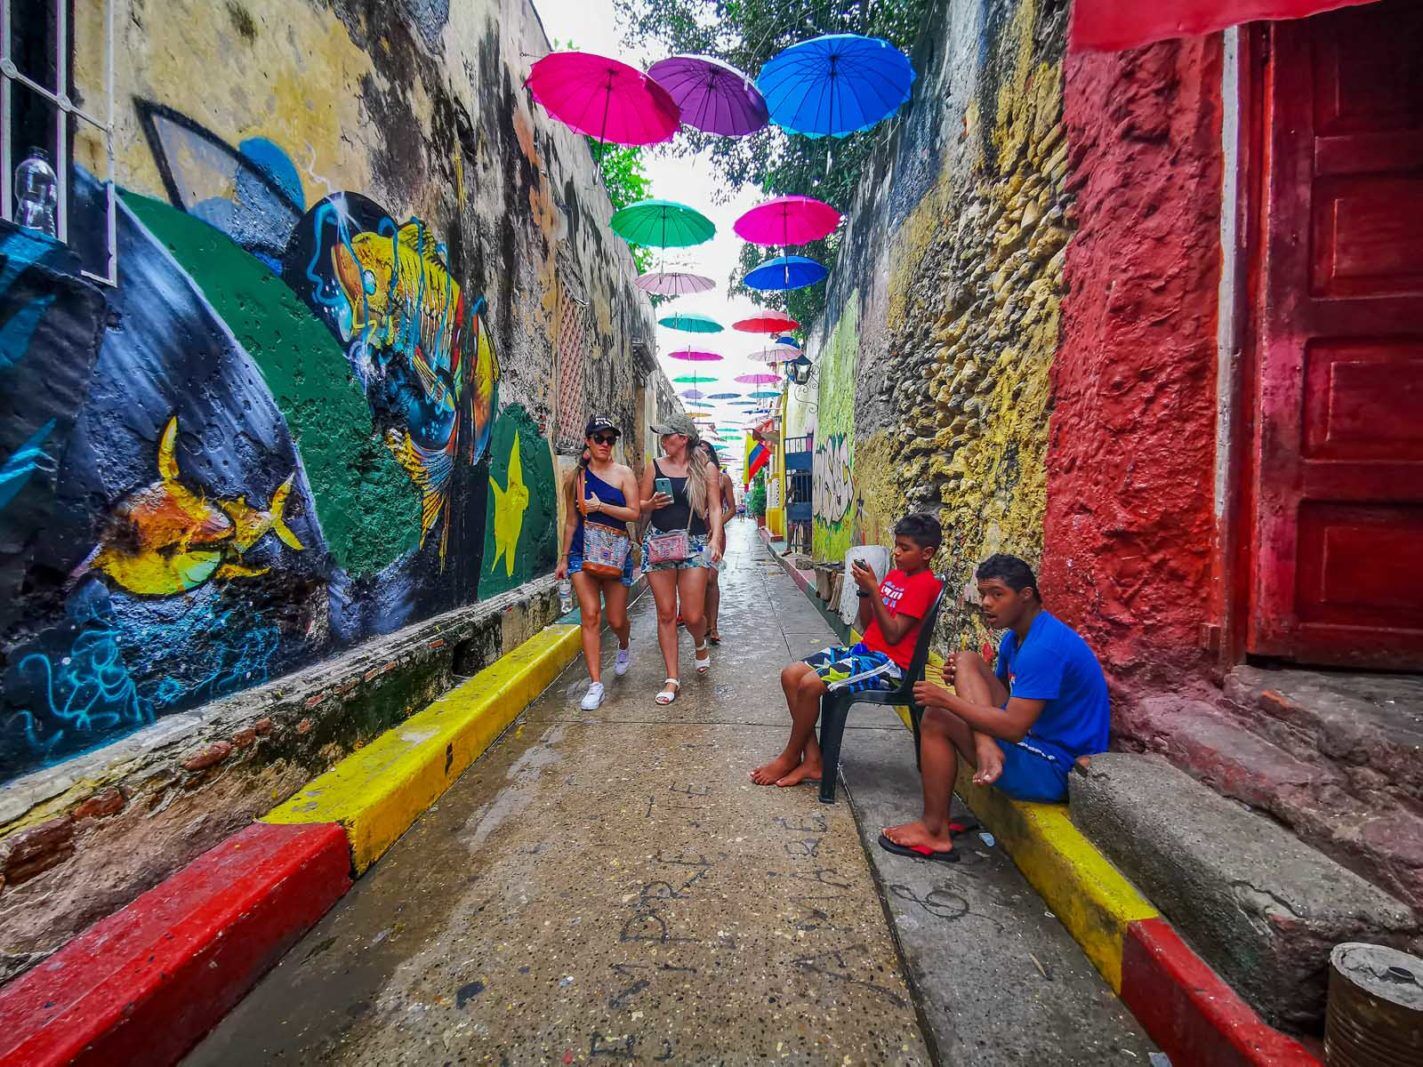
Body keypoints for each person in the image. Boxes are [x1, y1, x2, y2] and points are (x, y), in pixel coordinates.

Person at [879, 553, 1110, 862]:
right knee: (967, 660)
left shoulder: (1044, 648)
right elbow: (989, 696)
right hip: (1031, 740)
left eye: (997, 594)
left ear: (1026, 595)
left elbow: (1012, 726)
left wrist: (947, 699)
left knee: (936, 717)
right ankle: (986, 746)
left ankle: (934, 831)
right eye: (984, 593)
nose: (986, 602)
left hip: (1056, 767)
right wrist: (964, 690)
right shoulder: (1017, 639)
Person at [752, 514, 944, 787]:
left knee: (809, 684)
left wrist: (874, 590)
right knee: (791, 674)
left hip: (890, 664)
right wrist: (865, 592)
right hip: (866, 650)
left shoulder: (924, 584)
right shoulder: (896, 576)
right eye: (896, 546)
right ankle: (814, 760)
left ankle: (790, 756)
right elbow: (868, 625)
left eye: (905, 548)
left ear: (927, 553)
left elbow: (893, 635)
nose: (897, 553)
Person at [638, 413, 724, 706]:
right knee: (665, 613)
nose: (663, 441)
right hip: (659, 543)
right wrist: (648, 505)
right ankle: (672, 677)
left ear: (683, 439)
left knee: (692, 614)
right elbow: (639, 505)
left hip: (694, 543)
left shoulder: (705, 469)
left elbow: (714, 507)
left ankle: (700, 643)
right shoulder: (654, 467)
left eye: (667, 436)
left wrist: (714, 539)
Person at [555, 417, 641, 711]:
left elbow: (634, 513)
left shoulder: (624, 474)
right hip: (581, 553)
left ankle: (624, 645)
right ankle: (595, 684)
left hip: (616, 554)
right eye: (600, 438)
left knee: (616, 619)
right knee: (590, 615)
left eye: (610, 440)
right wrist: (564, 558)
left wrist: (601, 506)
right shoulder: (575, 478)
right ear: (588, 441)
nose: (606, 444)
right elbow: (571, 521)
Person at [697, 441, 736, 645]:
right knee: (699, 580)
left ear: (711, 455)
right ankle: (702, 623)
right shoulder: (692, 477)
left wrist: (717, 525)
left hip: (716, 535)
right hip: (695, 534)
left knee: (712, 578)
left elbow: (732, 508)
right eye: (699, 452)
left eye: (706, 452)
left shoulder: (723, 479)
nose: (703, 456)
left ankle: (714, 626)